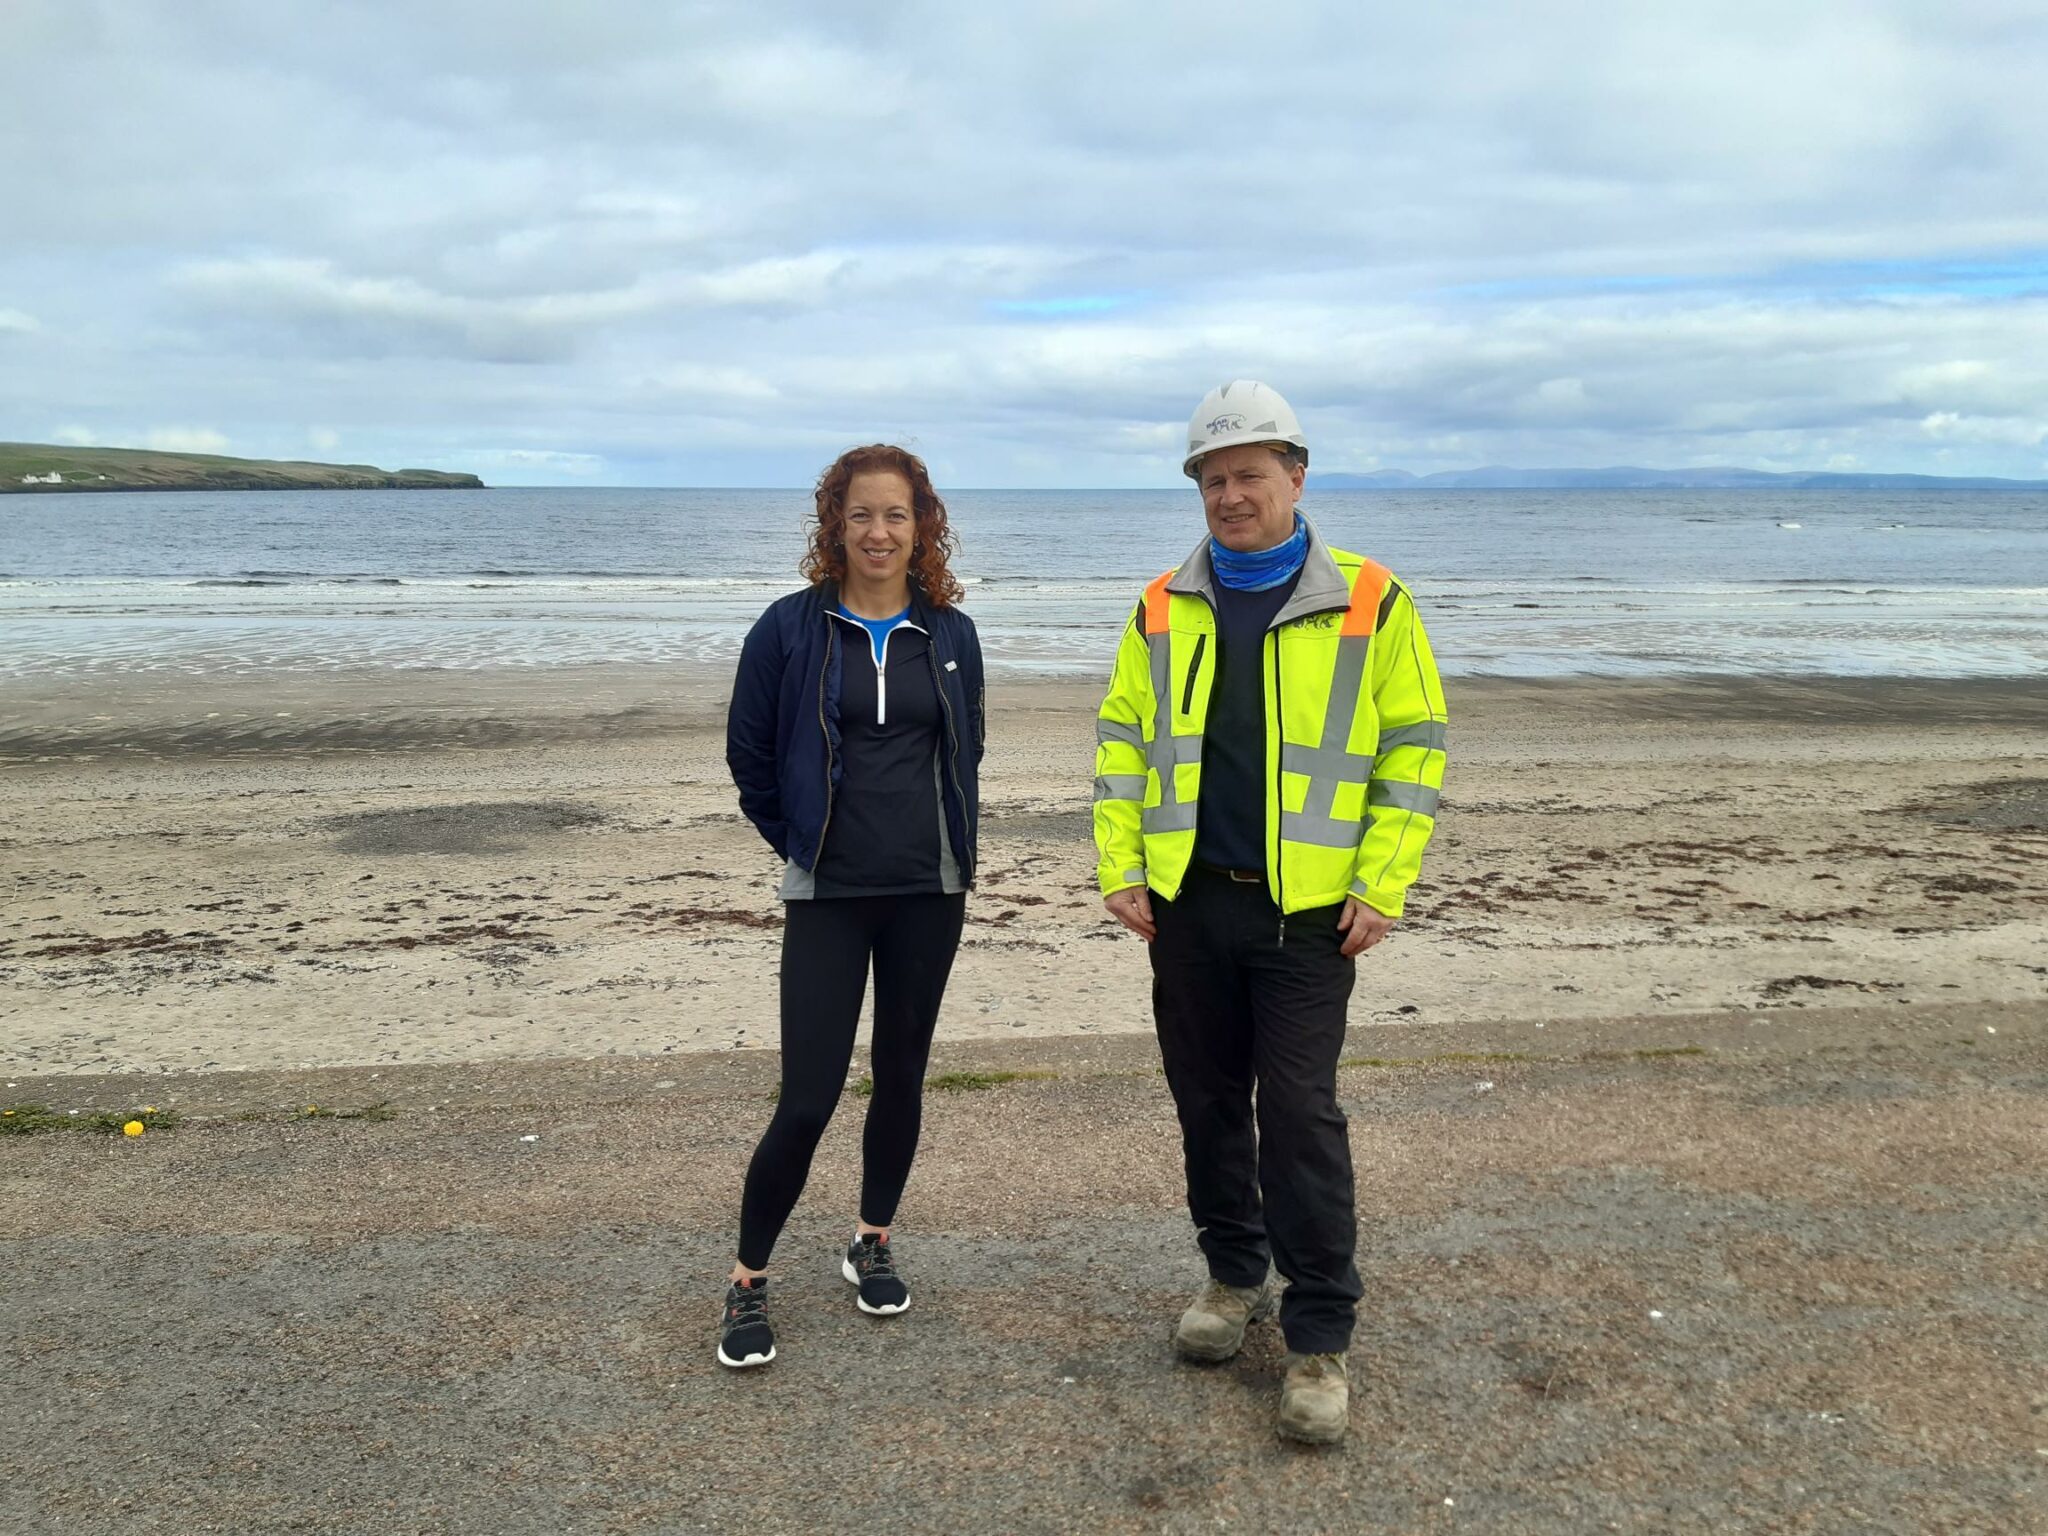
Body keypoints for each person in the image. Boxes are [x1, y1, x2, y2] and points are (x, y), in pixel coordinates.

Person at [1092, 381, 1447, 1443]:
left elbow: (1413, 750)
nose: (1229, 494)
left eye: (1249, 473)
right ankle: (1229, 1277)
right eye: (1212, 478)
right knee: (1205, 1102)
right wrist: (1117, 864)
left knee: (1298, 1117)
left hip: (1306, 920)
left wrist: (1380, 881)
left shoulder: (1374, 601)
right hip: (1187, 909)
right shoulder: (1160, 603)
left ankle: (1317, 1337)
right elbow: (1120, 741)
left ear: (1296, 476)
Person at [717, 444, 984, 1369]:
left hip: (928, 891)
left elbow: (966, 752)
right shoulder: (789, 630)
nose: (879, 532)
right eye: (861, 515)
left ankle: (871, 1238)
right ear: (834, 525)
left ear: (923, 528)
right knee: (808, 1097)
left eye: (897, 516)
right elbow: (749, 757)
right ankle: (748, 1280)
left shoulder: (950, 634)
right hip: (829, 895)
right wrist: (802, 845)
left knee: (902, 1077)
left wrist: (943, 848)